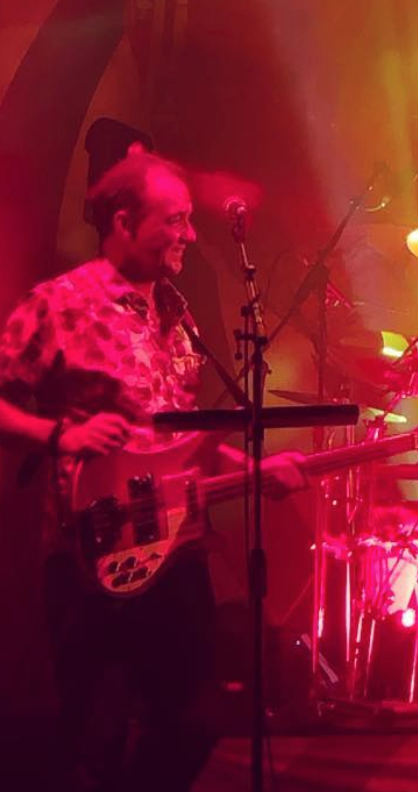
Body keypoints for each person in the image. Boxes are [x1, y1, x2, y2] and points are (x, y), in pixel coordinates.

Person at [0, 149, 305, 792]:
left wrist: (256, 469)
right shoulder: (60, 304)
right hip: (91, 556)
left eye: (189, 218)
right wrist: (61, 435)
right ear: (122, 222)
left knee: (196, 718)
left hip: (176, 553)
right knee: (93, 736)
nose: (189, 234)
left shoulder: (179, 315)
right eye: (175, 220)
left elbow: (182, 444)